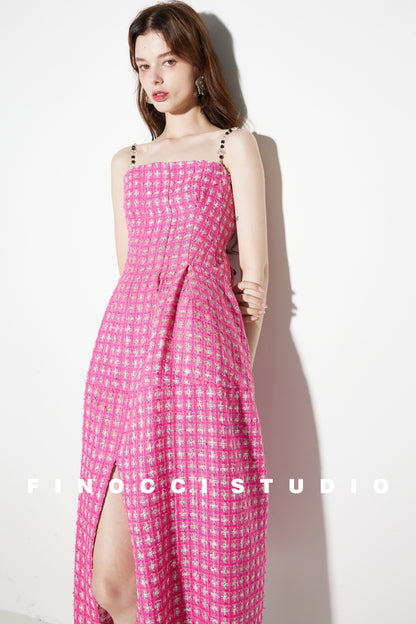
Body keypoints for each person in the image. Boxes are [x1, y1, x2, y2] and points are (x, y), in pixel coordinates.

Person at [73, 2, 269, 623]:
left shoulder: (233, 146)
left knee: (200, 543)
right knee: (112, 580)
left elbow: (255, 283)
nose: (155, 78)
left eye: (169, 61)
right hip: (124, 359)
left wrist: (233, 377)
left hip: (203, 367)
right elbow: (130, 272)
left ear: (198, 63)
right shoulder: (127, 160)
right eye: (142, 66)